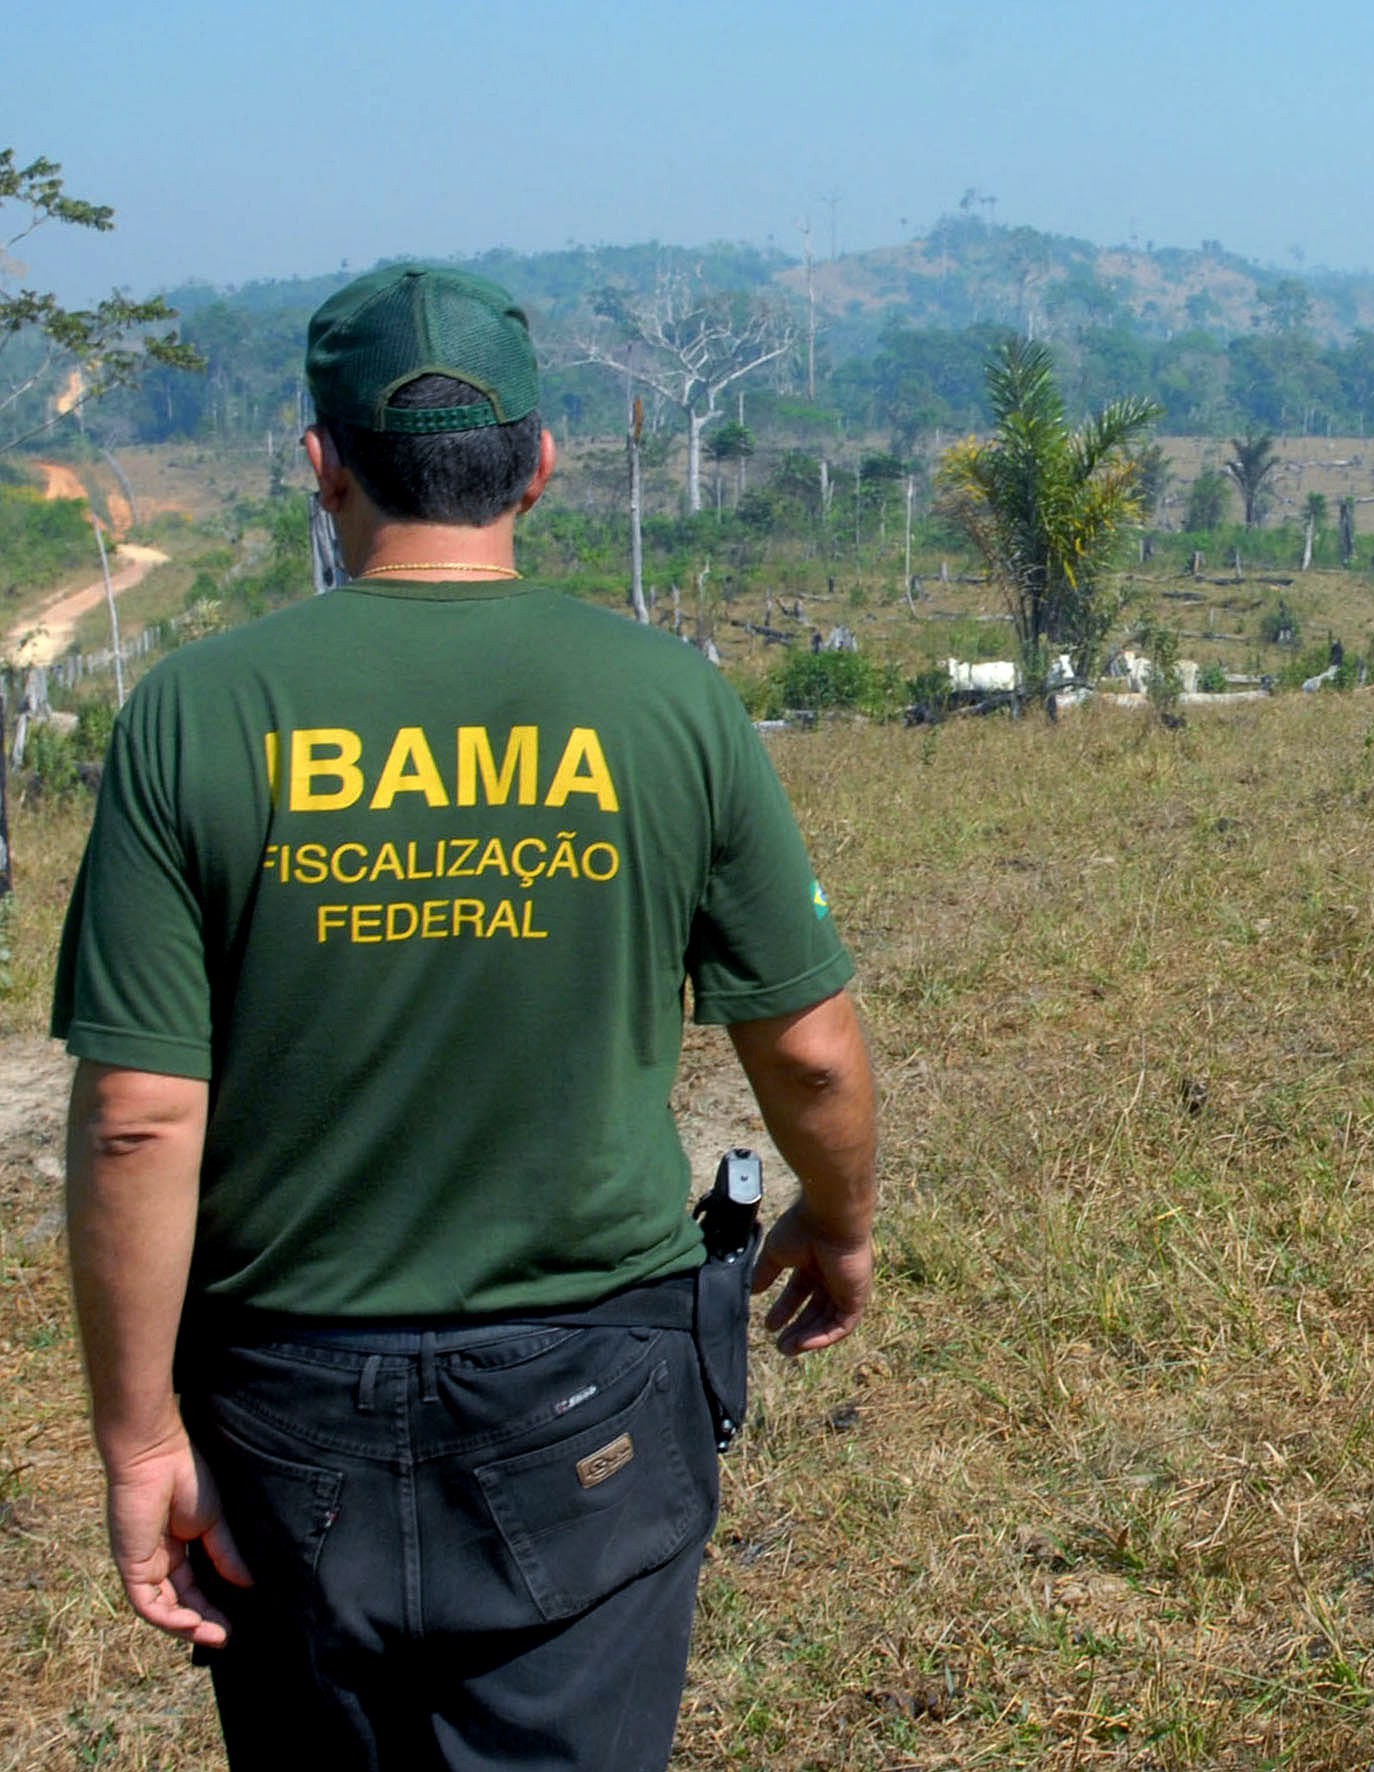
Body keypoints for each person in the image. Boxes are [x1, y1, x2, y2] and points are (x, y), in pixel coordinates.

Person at [52, 262, 878, 1770]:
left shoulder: (193, 712)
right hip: (591, 1401)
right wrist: (841, 1220)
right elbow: (809, 1045)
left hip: (284, 1410)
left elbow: (133, 1121)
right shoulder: (667, 701)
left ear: (321, 464)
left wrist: (138, 1444)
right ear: (541, 463)